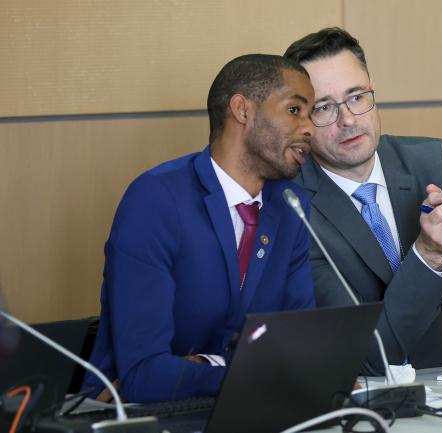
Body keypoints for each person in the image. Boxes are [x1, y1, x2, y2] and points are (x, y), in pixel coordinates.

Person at [284, 28, 442, 374]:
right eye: (324, 107)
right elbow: (369, 359)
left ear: (373, 89)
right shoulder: (289, 204)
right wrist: (429, 255)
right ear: (299, 118)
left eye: (356, 97)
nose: (348, 120)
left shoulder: (431, 162)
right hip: (353, 402)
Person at [84, 54, 316, 402]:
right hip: (142, 416)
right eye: (295, 110)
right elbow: (144, 376)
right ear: (242, 110)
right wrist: (252, 372)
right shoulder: (156, 199)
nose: (310, 128)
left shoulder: (291, 205)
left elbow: (299, 349)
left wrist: (206, 365)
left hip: (252, 410)